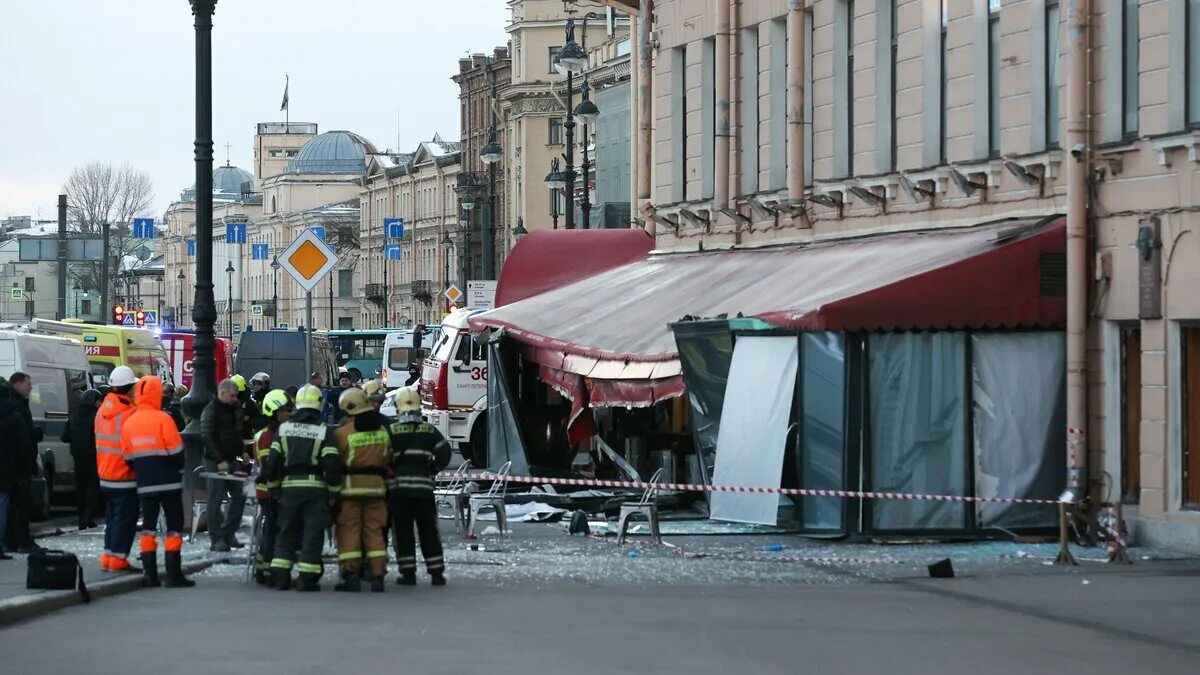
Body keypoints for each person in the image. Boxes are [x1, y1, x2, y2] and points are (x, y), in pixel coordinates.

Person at [264, 385, 341, 592]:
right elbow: (332, 464)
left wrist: (274, 491)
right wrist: (333, 492)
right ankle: (307, 579)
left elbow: (272, 465)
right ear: (319, 403)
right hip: (316, 491)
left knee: (286, 532)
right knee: (312, 533)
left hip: (288, 490)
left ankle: (280, 577)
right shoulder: (324, 430)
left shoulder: (284, 429)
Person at [121, 376, 194, 588]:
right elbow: (176, 451)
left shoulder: (130, 422)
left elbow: (127, 457)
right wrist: (179, 470)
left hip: (145, 483)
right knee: (173, 528)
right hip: (169, 482)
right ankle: (173, 575)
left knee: (148, 528)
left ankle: (150, 575)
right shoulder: (163, 419)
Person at [388, 388, 450, 587]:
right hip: (424, 490)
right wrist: (432, 470)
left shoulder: (392, 431)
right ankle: (436, 573)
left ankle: (408, 574)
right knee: (429, 530)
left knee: (403, 532)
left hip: (400, 491)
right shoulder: (428, 430)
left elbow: (383, 457)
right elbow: (445, 453)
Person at [331, 388, 392, 593]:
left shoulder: (343, 433)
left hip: (350, 490)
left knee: (350, 530)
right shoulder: (382, 432)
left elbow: (335, 461)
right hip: (377, 489)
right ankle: (377, 575)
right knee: (374, 531)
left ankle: (350, 575)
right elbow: (388, 458)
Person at [95, 366, 142, 572]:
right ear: (129, 388)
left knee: (112, 518)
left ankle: (108, 557)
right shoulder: (129, 413)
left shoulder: (103, 409)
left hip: (106, 473)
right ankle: (119, 559)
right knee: (125, 519)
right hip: (125, 474)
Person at [200, 378, 248, 552]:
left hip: (231, 457)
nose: (236, 398)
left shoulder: (232, 408)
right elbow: (207, 436)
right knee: (216, 497)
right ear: (222, 393)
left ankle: (229, 532)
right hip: (215, 460)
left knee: (239, 494)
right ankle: (216, 537)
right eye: (232, 395)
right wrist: (219, 459)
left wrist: (242, 450)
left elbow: (236, 433)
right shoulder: (211, 410)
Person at [252, 389, 292, 585]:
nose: (288, 414)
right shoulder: (268, 436)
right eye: (284, 411)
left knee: (272, 528)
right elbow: (270, 465)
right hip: (270, 490)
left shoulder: (277, 432)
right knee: (272, 530)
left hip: (273, 489)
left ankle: (263, 568)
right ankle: (266, 570)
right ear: (273, 411)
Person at [5, 372, 42, 554]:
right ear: (17, 384)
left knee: (15, 506)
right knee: (21, 505)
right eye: (28, 383)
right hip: (19, 464)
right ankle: (22, 540)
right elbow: (22, 436)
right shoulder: (16, 407)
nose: (30, 387)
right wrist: (35, 433)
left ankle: (13, 540)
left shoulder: (16, 404)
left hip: (15, 464)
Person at [0, 377, 35, 560]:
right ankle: (7, 543)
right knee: (5, 508)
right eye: (28, 383)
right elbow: (22, 445)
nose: (31, 387)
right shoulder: (14, 414)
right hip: (9, 470)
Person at [62, 389, 103, 529]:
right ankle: (89, 516)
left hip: (78, 457)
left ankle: (81, 518)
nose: (101, 403)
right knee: (92, 487)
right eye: (99, 401)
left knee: (81, 487)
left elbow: (64, 436)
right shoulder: (96, 416)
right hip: (93, 456)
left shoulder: (73, 416)